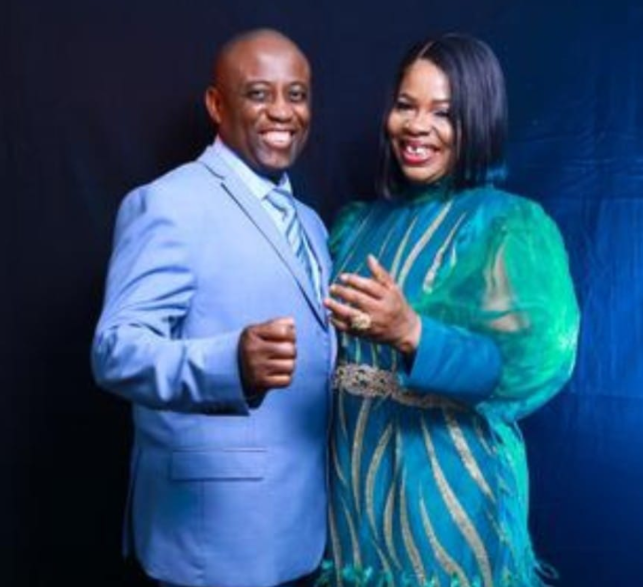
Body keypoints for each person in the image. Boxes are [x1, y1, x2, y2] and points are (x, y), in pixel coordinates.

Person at [322, 33, 579, 587]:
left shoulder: (503, 224)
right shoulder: (356, 225)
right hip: (356, 486)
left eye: (443, 113)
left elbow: (531, 365)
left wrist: (413, 332)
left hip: (449, 487)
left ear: (478, 121)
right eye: (405, 105)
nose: (417, 126)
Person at [91, 29, 334, 587]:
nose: (282, 111)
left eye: (296, 94)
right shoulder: (170, 204)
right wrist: (231, 364)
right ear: (216, 104)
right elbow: (114, 350)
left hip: (298, 533)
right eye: (258, 94)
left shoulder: (312, 224)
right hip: (212, 542)